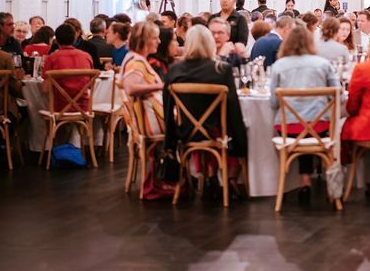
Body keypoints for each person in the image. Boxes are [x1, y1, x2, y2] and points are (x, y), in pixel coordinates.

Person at [164, 25, 248, 194]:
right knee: (239, 127)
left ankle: (206, 175)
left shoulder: (174, 70)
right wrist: (240, 143)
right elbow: (233, 109)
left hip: (185, 131)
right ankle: (229, 177)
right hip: (214, 131)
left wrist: (170, 143)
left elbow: (167, 108)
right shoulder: (221, 70)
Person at [268, 24, 339, 204]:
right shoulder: (323, 64)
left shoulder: (279, 66)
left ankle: (301, 182)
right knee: (310, 127)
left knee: (302, 127)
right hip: (320, 126)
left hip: (288, 129)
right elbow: (337, 94)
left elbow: (274, 103)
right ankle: (324, 184)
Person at [122, 22, 165, 136]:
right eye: (155, 38)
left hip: (150, 117)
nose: (159, 41)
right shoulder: (136, 61)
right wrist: (162, 86)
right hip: (152, 122)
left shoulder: (134, 58)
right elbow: (130, 88)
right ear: (144, 40)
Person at [40, 23, 94, 112]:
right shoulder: (86, 56)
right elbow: (91, 86)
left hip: (59, 108)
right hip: (84, 108)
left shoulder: (52, 58)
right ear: (74, 39)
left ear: (56, 40)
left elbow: (45, 89)